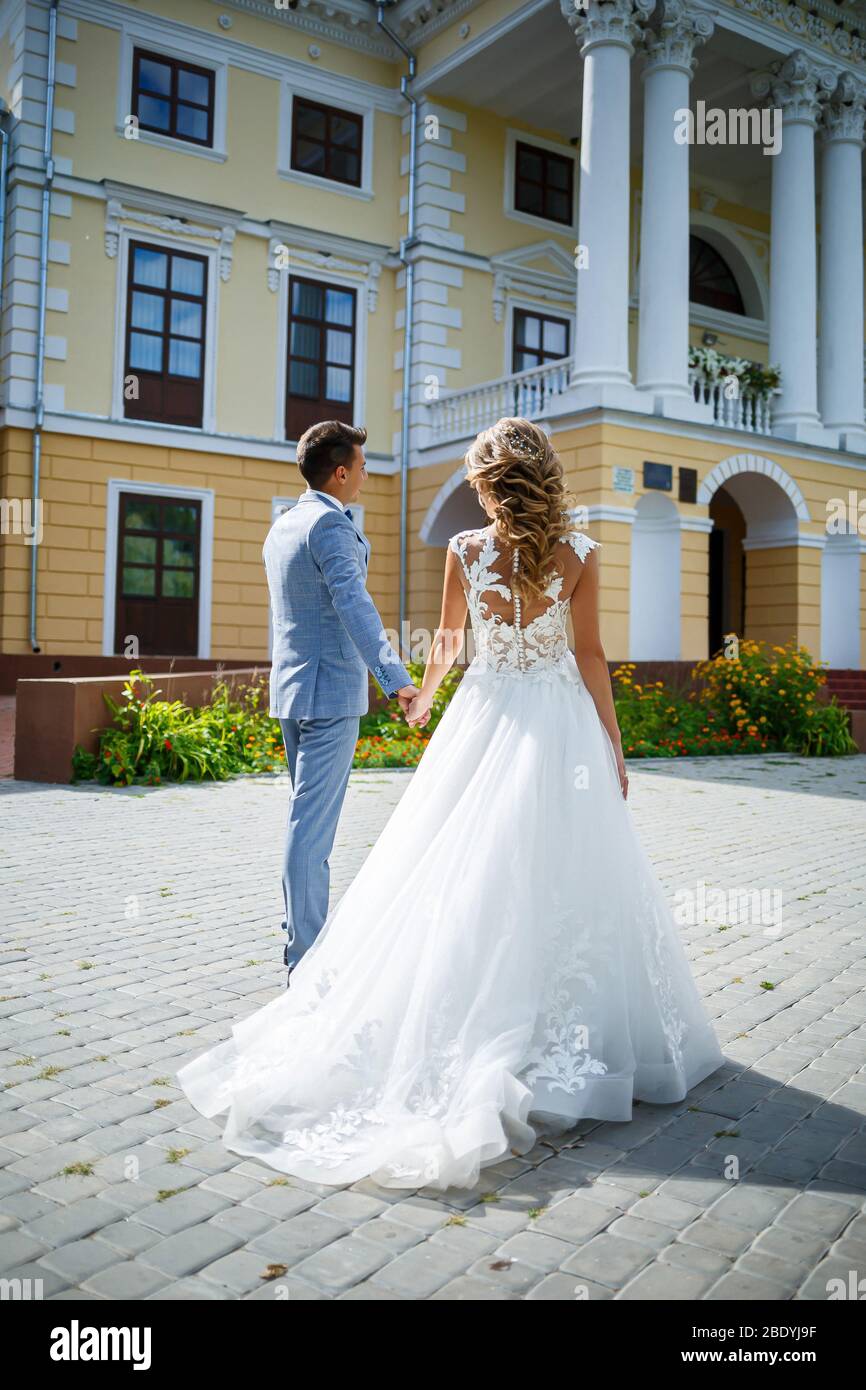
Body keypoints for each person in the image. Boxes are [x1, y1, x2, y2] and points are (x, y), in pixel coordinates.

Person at [177, 417, 724, 1191]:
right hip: (559, 720)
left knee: (466, 865)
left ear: (489, 481)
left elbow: (446, 645)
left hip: (486, 713)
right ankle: (562, 1029)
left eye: (475, 475)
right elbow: (590, 653)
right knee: (564, 868)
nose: (471, 485)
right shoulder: (581, 552)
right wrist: (613, 739)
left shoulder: (465, 551)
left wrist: (424, 703)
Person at [262, 420, 416, 984]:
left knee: (303, 820)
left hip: (292, 692)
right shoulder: (330, 526)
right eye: (364, 464)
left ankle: (300, 943)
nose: (368, 474)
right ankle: (306, 957)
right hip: (329, 695)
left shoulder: (284, 526)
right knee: (312, 828)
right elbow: (356, 607)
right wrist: (397, 679)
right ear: (343, 470)